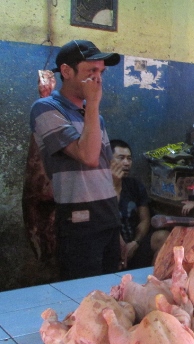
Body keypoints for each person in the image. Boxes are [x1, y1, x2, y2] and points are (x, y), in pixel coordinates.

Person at [29, 39, 122, 280]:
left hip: (108, 215)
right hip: (79, 219)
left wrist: (116, 220)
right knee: (84, 296)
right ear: (67, 72)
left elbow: (105, 170)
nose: (98, 79)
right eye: (91, 71)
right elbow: (88, 157)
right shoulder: (45, 109)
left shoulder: (93, 117)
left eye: (101, 72)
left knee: (112, 293)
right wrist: (93, 103)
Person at [110, 139, 169, 269]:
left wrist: (135, 242)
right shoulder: (100, 188)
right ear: (109, 161)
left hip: (135, 244)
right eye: (121, 158)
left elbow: (145, 219)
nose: (126, 163)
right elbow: (109, 221)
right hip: (112, 246)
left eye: (129, 158)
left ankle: (154, 283)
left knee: (164, 237)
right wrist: (115, 184)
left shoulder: (134, 185)